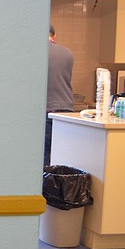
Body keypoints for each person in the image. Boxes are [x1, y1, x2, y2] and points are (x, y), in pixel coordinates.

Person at [45, 24, 74, 166]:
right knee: (61, 156)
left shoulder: (36, 53)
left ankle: (44, 187)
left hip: (46, 110)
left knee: (43, 156)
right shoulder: (67, 53)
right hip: (66, 111)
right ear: (54, 35)